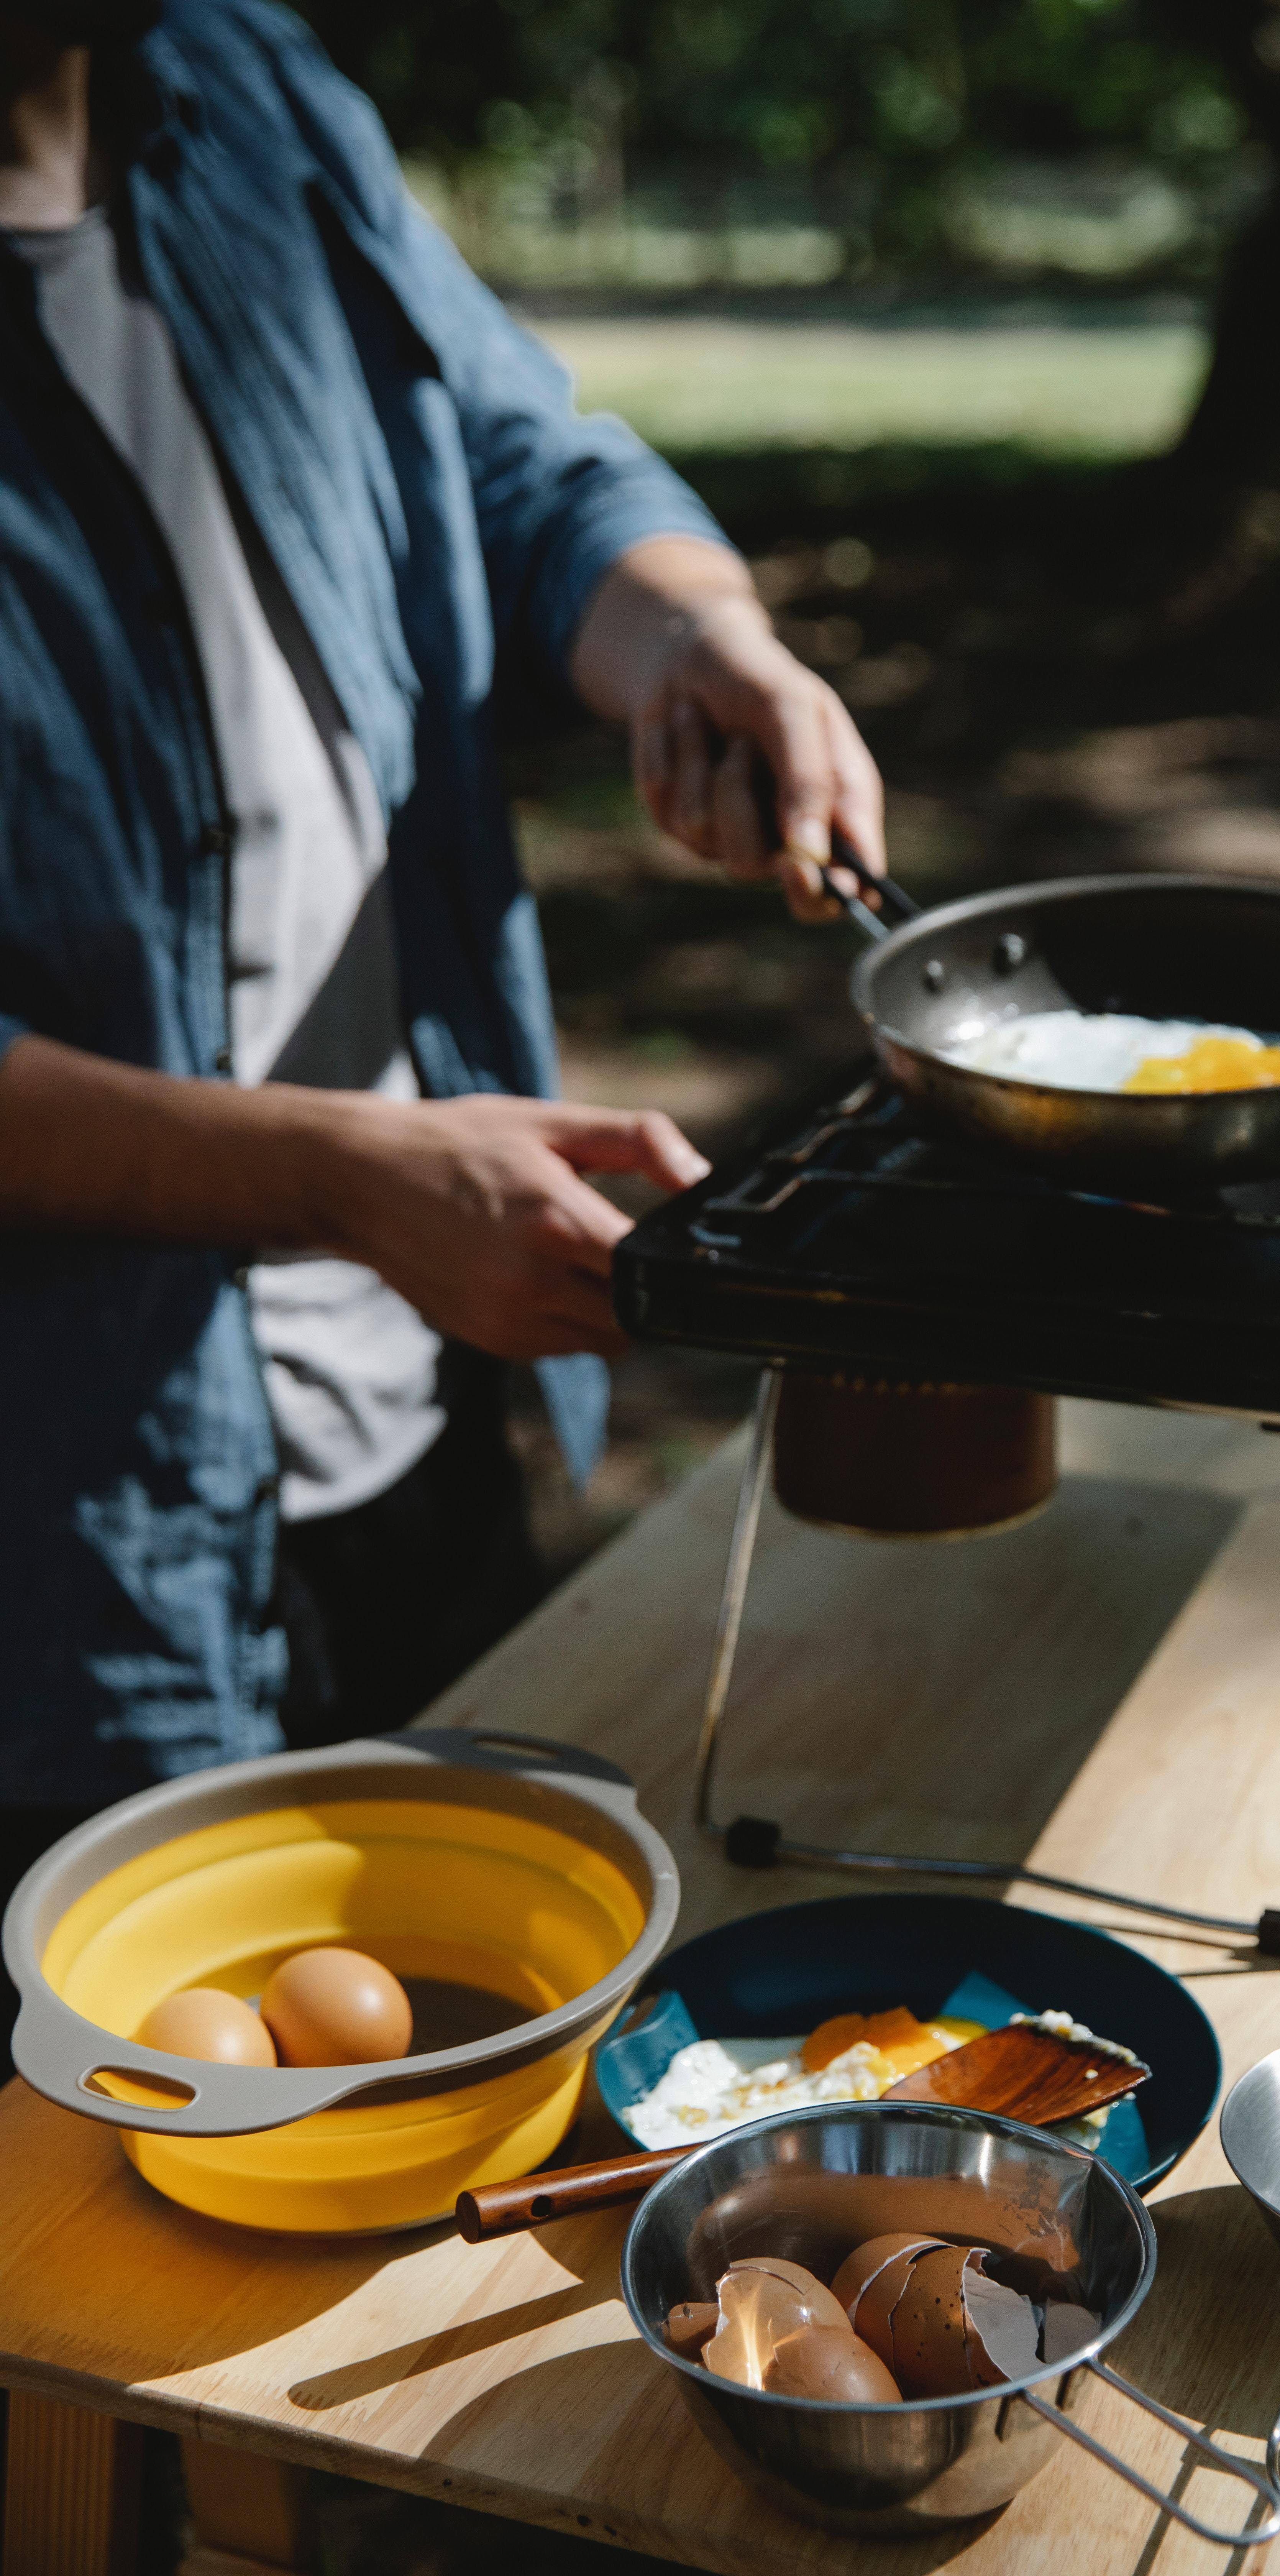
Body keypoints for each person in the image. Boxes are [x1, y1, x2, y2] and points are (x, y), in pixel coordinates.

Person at [0, 0, 888, 2004]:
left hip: (419, 1392)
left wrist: (695, 638)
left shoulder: (243, 87)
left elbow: (517, 454)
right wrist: (338, 1180)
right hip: (63, 1560)